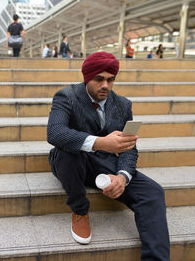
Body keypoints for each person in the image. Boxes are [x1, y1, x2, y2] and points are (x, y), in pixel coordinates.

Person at [47, 51, 170, 260]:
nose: (105, 85)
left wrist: (122, 177)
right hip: (72, 163)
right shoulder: (66, 96)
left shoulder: (123, 105)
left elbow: (129, 146)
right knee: (68, 150)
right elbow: (55, 132)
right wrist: (102, 142)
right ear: (87, 77)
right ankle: (80, 210)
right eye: (99, 79)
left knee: (153, 192)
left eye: (110, 79)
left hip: (106, 165)